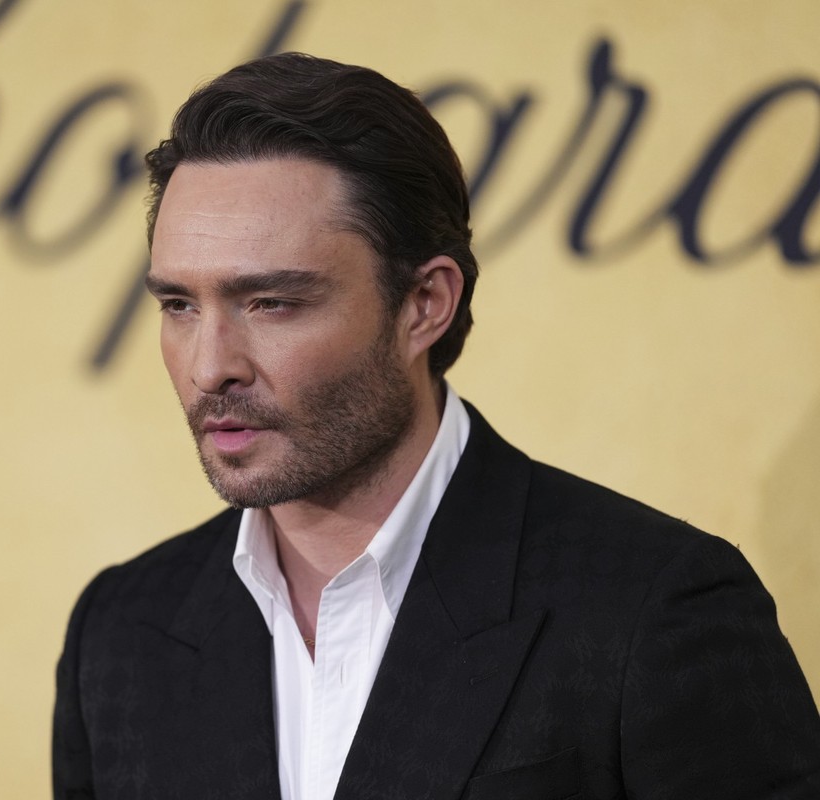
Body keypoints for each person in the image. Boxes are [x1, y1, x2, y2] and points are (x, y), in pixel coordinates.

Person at [52, 52, 820, 800]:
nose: (209, 365)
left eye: (272, 302)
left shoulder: (654, 609)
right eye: (179, 305)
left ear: (425, 304)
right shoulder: (120, 633)